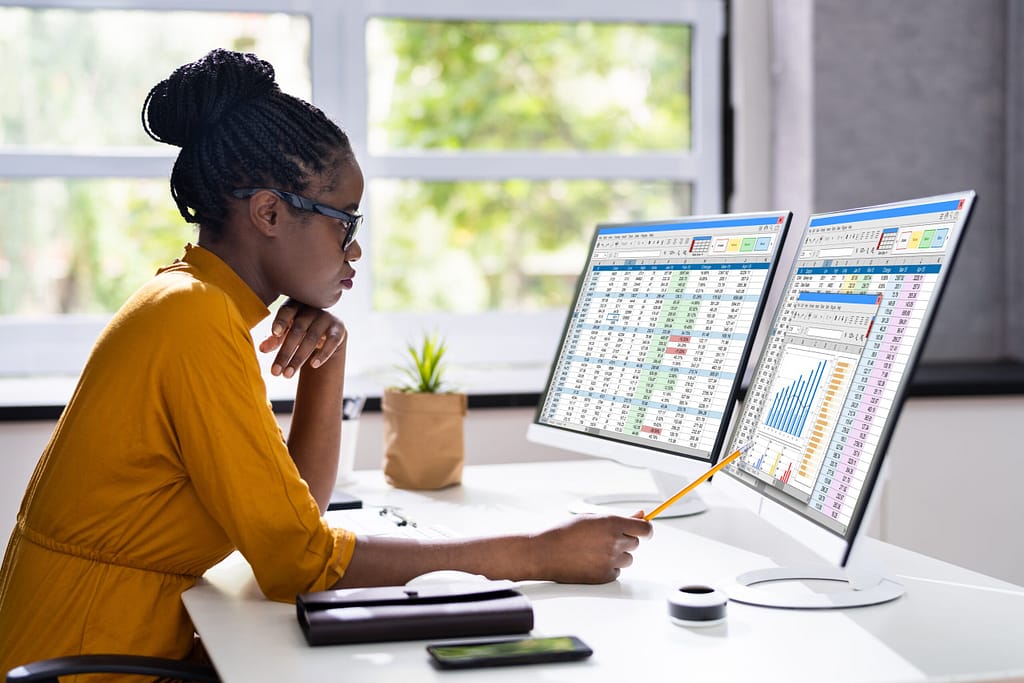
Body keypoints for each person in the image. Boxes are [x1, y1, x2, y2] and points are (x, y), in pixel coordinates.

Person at [0, 48, 652, 674]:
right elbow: (298, 563)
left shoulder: (189, 302)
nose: (354, 252)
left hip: (112, 648)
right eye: (345, 222)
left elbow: (295, 521)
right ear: (271, 212)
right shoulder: (193, 320)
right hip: (95, 667)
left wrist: (325, 366)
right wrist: (537, 552)